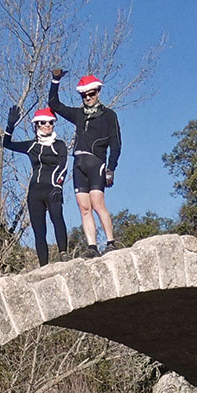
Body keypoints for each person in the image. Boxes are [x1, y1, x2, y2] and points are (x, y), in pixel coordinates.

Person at [48, 68, 121, 256]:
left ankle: (110, 243)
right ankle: (92, 247)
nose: (88, 98)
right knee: (83, 206)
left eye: (91, 94)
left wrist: (111, 168)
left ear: (98, 92)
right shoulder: (79, 114)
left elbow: (116, 143)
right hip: (79, 163)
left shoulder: (109, 115)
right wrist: (55, 80)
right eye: (84, 95)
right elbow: (54, 104)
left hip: (97, 162)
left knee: (97, 203)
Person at [1, 105, 70, 266]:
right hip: (35, 193)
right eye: (43, 122)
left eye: (51, 122)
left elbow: (63, 167)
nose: (48, 125)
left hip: (53, 189)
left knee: (57, 218)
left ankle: (64, 254)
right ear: (37, 125)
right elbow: (6, 143)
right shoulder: (31, 145)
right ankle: (43, 265)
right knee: (39, 230)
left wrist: (58, 186)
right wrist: (10, 126)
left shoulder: (59, 144)